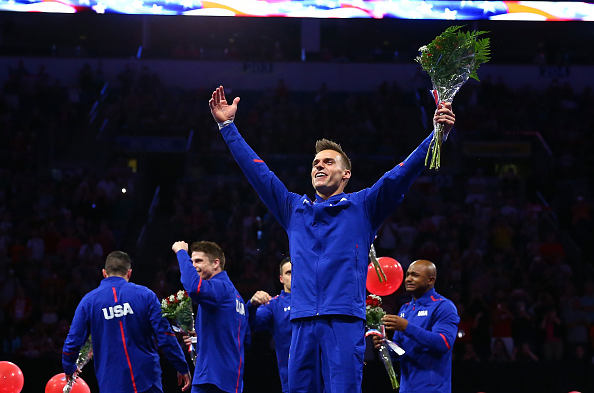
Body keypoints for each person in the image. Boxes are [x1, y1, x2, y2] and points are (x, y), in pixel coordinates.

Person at [209, 85, 455, 393]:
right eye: (315, 163)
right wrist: (227, 127)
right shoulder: (293, 208)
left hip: (343, 322)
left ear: (346, 174)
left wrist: (437, 136)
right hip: (300, 323)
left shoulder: (364, 206)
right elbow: (258, 173)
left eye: (327, 162)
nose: (318, 166)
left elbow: (401, 174)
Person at [62, 251, 192, 393]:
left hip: (111, 383)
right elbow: (166, 336)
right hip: (147, 380)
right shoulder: (146, 295)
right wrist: (181, 366)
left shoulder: (88, 302)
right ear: (129, 273)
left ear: (104, 273)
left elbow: (73, 341)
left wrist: (69, 367)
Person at [172, 240, 249, 393]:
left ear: (216, 263)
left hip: (214, 379)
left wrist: (181, 252)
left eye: (198, 261)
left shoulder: (220, 287)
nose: (193, 265)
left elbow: (194, 287)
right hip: (225, 377)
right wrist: (198, 338)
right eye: (191, 261)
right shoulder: (235, 297)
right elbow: (243, 339)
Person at [373, 259, 460, 393]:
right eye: (407, 275)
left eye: (415, 275)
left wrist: (407, 327)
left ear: (430, 280)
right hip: (406, 389)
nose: (408, 279)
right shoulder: (405, 309)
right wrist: (385, 344)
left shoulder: (443, 306)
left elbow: (444, 343)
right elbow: (399, 352)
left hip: (433, 390)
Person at [247, 257, 293, 393]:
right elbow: (253, 322)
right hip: (290, 377)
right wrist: (251, 305)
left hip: (321, 373)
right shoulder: (273, 305)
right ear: (281, 279)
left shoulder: (315, 302)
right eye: (289, 273)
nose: (293, 276)